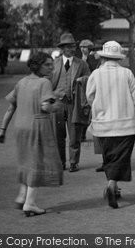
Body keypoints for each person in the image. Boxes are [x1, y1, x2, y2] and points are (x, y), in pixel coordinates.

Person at [0, 52, 62, 216]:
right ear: (37, 65)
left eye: (51, 64)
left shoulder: (21, 82)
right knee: (38, 163)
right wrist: (58, 105)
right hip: (37, 125)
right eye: (47, 64)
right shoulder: (44, 82)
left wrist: (2, 129)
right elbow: (47, 107)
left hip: (20, 126)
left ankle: (21, 196)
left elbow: (11, 107)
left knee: (26, 160)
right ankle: (30, 203)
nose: (51, 67)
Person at [86, 41, 135, 209]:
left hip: (103, 124)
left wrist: (98, 109)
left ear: (103, 57)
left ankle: (114, 186)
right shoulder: (126, 73)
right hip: (125, 123)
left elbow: (90, 97)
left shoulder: (96, 74)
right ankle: (112, 184)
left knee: (108, 156)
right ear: (119, 58)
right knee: (122, 156)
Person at [50, 33, 90, 172]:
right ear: (62, 48)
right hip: (58, 104)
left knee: (75, 135)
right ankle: (61, 162)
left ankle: (74, 162)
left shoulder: (81, 64)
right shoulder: (54, 64)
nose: (72, 49)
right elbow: (47, 82)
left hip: (74, 103)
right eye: (68, 47)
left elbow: (90, 79)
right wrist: (53, 96)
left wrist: (82, 80)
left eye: (73, 46)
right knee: (58, 136)